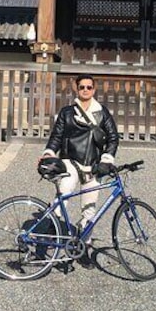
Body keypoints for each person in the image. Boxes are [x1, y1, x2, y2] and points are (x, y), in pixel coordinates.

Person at [40, 74, 119, 269]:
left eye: (89, 87)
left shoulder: (102, 112)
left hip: (93, 165)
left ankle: (84, 247)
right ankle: (55, 223)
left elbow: (113, 138)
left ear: (94, 89)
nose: (85, 90)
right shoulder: (67, 112)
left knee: (89, 209)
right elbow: (56, 136)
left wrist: (106, 159)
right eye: (82, 87)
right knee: (64, 190)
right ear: (76, 88)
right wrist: (49, 153)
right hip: (71, 161)